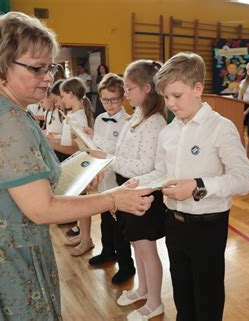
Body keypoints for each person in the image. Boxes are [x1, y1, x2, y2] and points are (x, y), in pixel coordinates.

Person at [0, 12, 154, 320]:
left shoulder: (4, 104)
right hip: (1, 253)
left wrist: (78, 176)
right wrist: (113, 198)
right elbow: (41, 208)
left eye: (50, 67)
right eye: (37, 68)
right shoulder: (5, 120)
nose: (49, 77)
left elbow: (25, 177)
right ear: (3, 66)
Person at [133, 52, 249, 321]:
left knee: (207, 297)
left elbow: (245, 179)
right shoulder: (168, 131)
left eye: (177, 95)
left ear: (197, 89)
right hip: (174, 222)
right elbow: (161, 173)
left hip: (207, 226)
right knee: (182, 295)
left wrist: (198, 186)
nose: (171, 104)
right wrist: (139, 182)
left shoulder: (220, 128)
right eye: (166, 97)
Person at [89, 60, 168, 320]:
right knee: (136, 245)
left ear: (147, 88)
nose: (125, 93)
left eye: (129, 88)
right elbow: (122, 151)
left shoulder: (154, 122)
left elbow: (144, 165)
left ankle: (155, 301)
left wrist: (109, 159)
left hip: (143, 192)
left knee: (146, 250)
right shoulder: (137, 115)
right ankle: (142, 289)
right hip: (129, 188)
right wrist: (101, 147)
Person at [83, 73, 135, 285]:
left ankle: (126, 265)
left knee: (120, 227)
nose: (109, 104)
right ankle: (108, 252)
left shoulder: (128, 122)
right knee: (105, 221)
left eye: (113, 99)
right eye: (104, 99)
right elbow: (97, 149)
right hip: (104, 179)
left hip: (119, 182)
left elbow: (117, 150)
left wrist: (95, 138)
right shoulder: (99, 119)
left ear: (123, 98)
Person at [237, 61, 249, 157]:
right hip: (242, 107)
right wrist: (239, 109)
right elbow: (240, 97)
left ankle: (247, 155)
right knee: (240, 133)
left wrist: (246, 112)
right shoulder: (244, 82)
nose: (248, 72)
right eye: (247, 69)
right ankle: (243, 155)